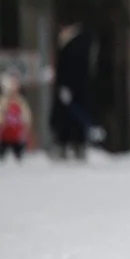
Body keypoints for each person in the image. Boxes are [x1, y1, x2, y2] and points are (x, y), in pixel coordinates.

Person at [49, 20, 105, 160]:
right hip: (72, 90)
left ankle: (74, 145)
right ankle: (69, 144)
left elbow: (74, 69)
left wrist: (66, 86)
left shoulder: (76, 45)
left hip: (74, 89)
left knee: (72, 118)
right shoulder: (76, 43)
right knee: (70, 118)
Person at [0, 72, 32, 161]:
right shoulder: (3, 102)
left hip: (17, 136)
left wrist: (26, 126)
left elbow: (26, 116)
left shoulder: (21, 102)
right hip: (5, 135)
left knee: (19, 156)